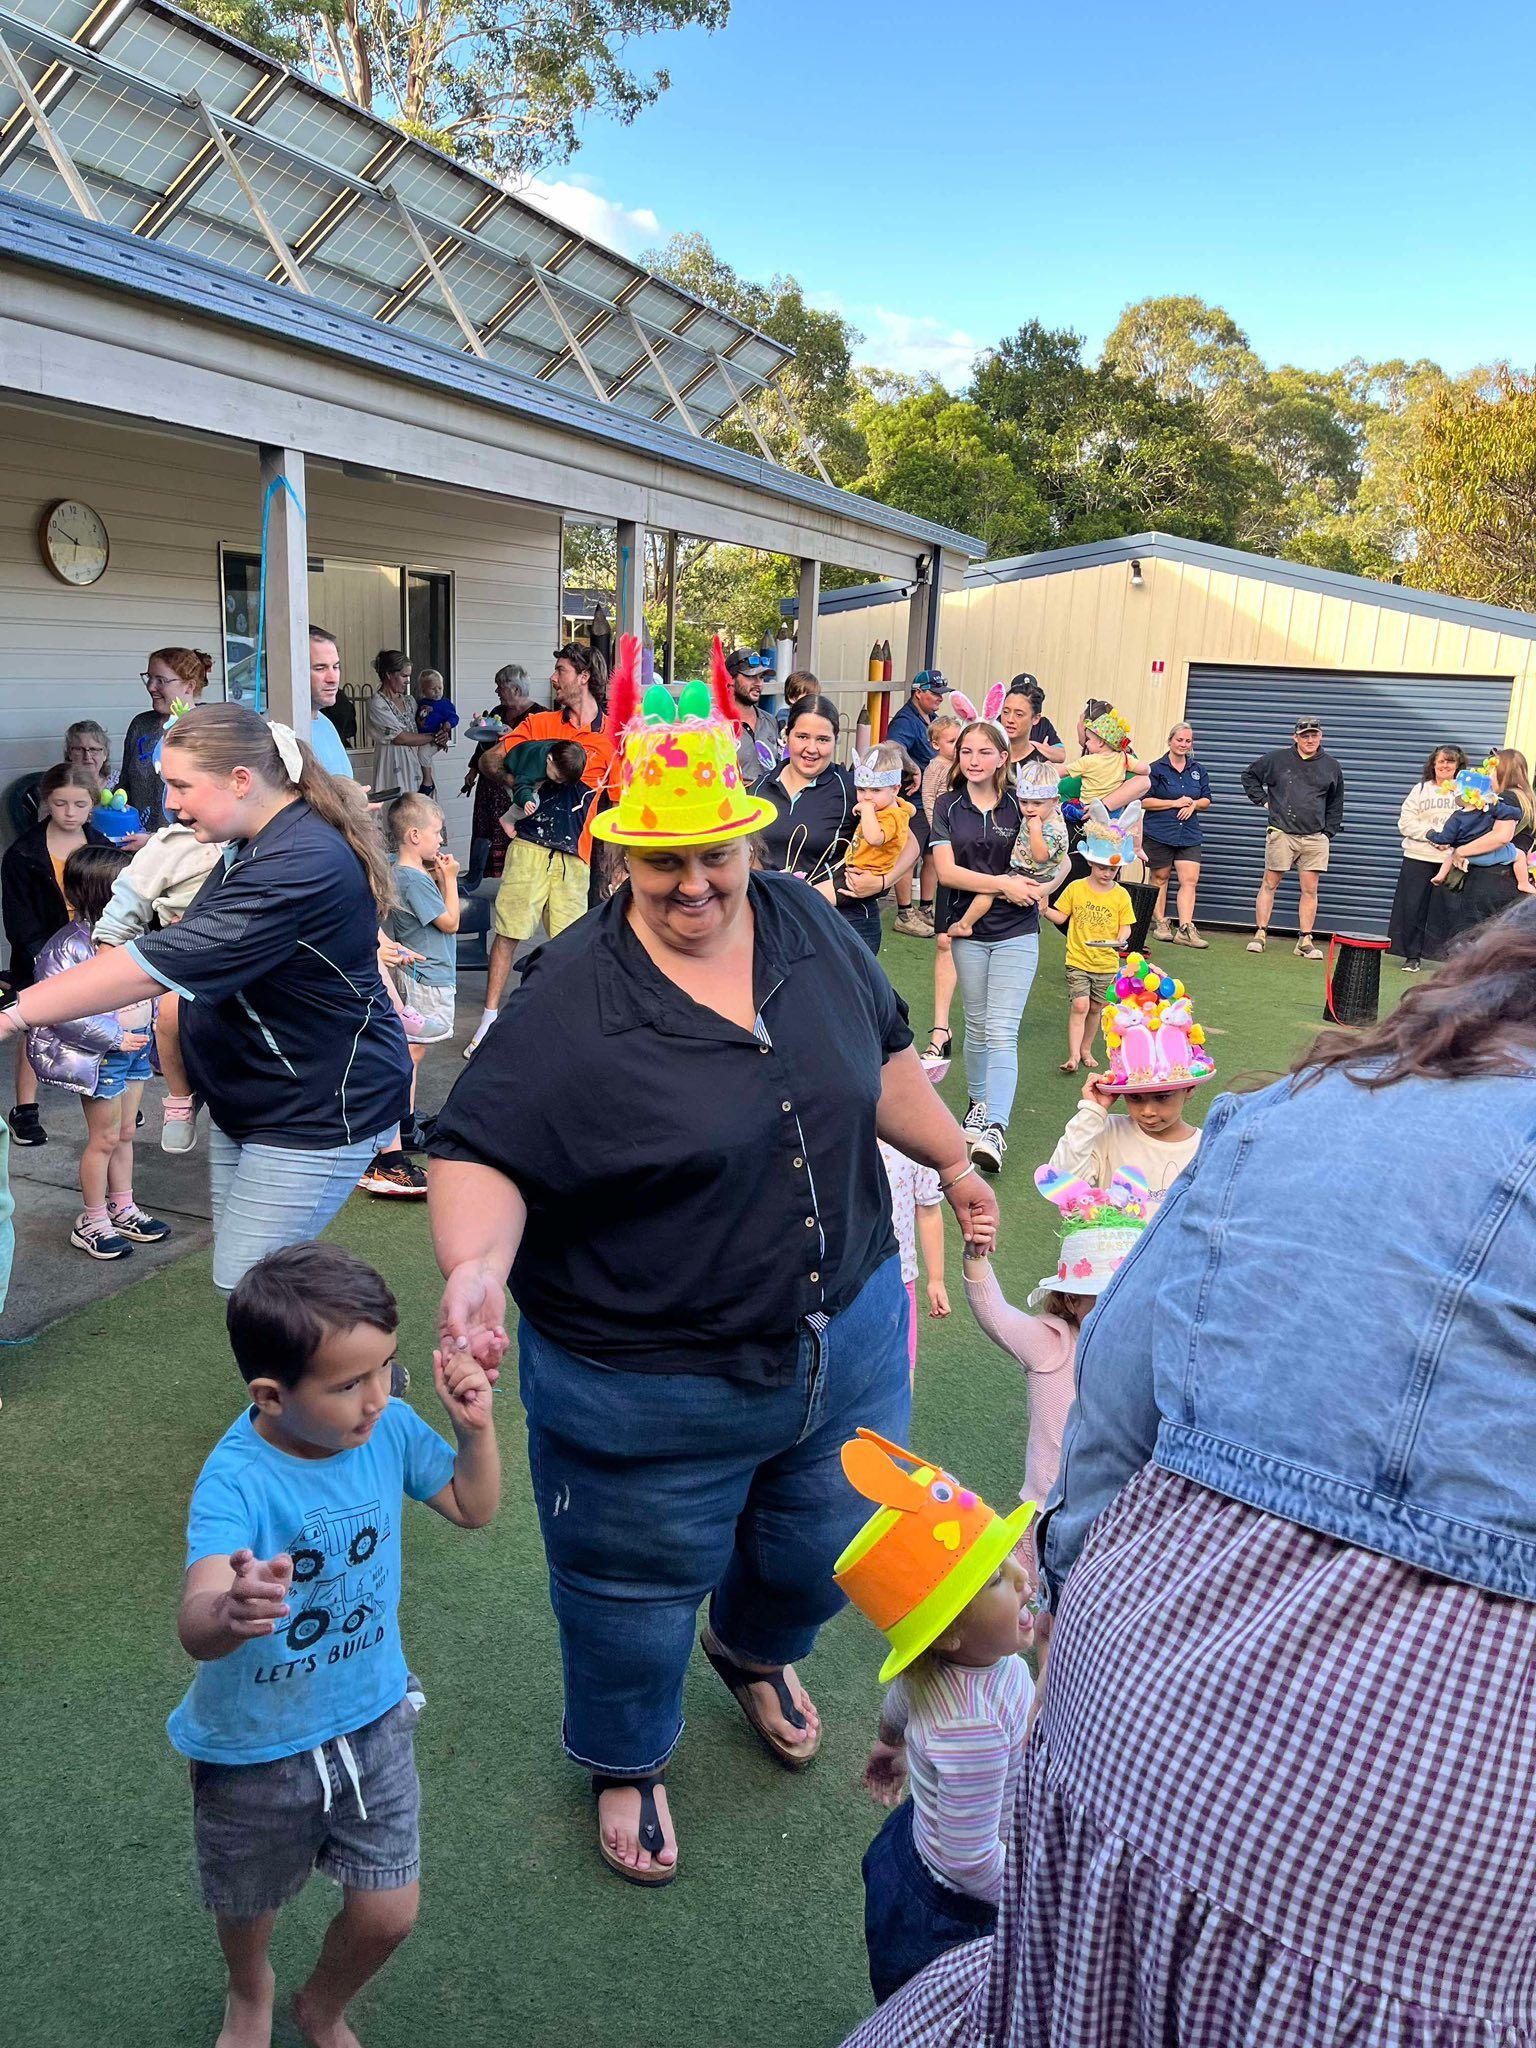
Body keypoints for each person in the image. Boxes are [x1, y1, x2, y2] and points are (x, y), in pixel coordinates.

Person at [841, 901, 1536, 2048]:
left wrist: (1060, 1606)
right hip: (1426, 1885)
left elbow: (1103, 1449)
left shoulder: (1289, 1116)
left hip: (1122, 1742)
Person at [427, 637, 999, 1887]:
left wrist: (956, 1161)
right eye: (664, 859)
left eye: (714, 854)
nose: (694, 884)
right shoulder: (575, 988)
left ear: (750, 838)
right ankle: (629, 1752)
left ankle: (750, 1646)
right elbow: (477, 1143)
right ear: (622, 852)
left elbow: (884, 1051)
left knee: (820, 1542)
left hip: (841, 1332)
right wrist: (474, 1268)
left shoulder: (802, 916)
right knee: (630, 1589)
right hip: (645, 1372)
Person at [169, 1242, 499, 2048]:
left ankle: (323, 2002)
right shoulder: (236, 1478)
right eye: (350, 1383)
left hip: (372, 1717)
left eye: (387, 1368)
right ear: (272, 1395)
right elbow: (196, 1618)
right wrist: (231, 1609)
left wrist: (474, 1431)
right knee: (249, 1902)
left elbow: (471, 1506)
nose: (378, 1398)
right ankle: (251, 1992)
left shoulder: (386, 1431)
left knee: (390, 1912)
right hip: (254, 1746)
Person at [0, 707, 412, 1292]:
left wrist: (15, 1014)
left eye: (181, 785)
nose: (169, 803)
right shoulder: (251, 841)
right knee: (270, 1283)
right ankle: (346, 1373)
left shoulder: (295, 863)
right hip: (253, 1095)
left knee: (248, 1283)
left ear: (241, 780)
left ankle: (357, 1374)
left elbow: (148, 967)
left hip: (316, 1106)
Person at [839, 1431, 1035, 2004]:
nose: (1023, 1579)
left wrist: (889, 1744)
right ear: (949, 1633)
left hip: (925, 1837)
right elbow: (970, 1861)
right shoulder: (969, 1728)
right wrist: (1037, 1899)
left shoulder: (955, 1665)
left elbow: (901, 1698)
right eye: (996, 1580)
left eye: (1005, 1559)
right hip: (955, 1907)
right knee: (932, 2011)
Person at [967, 1164, 1151, 1507]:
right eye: (1099, 1298)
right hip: (1046, 1510)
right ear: (1071, 1300)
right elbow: (997, 1316)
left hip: (1116, 1516)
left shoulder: (1149, 1351)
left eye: (1127, 1294)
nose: (1115, 1309)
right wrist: (975, 1258)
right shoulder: (1052, 1343)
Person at [466, 644, 613, 1053]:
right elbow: (490, 762)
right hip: (528, 846)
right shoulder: (541, 723)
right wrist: (523, 788)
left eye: (561, 670)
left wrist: (621, 864)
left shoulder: (611, 736)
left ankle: (561, 1025)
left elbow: (619, 802)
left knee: (568, 945)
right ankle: (489, 1022)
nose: (553, 677)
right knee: (509, 931)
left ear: (584, 676)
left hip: (574, 857)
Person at [27, 845, 170, 1262]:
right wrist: (112, 1037)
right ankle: (91, 1218)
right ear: (103, 894)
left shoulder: (136, 935)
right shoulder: (66, 947)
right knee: (104, 1138)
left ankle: (122, 1206)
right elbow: (58, 1008)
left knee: (125, 1133)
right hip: (104, 1055)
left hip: (136, 1048)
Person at [931, 720, 1046, 1177]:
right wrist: (1002, 883)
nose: (973, 760)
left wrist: (1037, 887)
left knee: (1001, 1030)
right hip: (967, 932)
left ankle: (996, 1127)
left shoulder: (1024, 805)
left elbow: (1053, 861)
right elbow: (947, 873)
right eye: (966, 752)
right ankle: (978, 1105)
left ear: (1003, 757)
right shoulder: (946, 805)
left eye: (983, 751)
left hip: (1018, 930)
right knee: (976, 1026)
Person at [91, 796, 224, 1156]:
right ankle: (181, 1096)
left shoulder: (276, 840)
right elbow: (121, 915)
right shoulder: (172, 845)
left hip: (250, 955)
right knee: (167, 1013)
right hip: (187, 953)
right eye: (173, 787)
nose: (178, 801)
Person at [1047, 948, 1214, 1206]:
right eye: (1134, 1097)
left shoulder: (1206, 1150)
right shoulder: (1107, 1132)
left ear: (1189, 1088)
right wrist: (1092, 1112)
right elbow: (1061, 1184)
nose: (1148, 1110)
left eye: (1162, 1097)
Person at [755, 696, 919, 957]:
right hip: (775, 925)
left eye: (822, 739)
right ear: (787, 736)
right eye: (802, 736)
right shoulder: (760, 788)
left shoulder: (856, 789)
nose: (811, 748)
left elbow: (909, 842)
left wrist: (882, 882)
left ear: (835, 741)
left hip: (844, 925)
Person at [2, 764, 110, 1147]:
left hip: (95, 945)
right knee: (36, 1023)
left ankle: (110, 1092)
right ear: (46, 801)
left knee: (103, 1019)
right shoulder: (24, 853)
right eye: (60, 803)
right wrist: (41, 959)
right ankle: (25, 1109)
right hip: (40, 950)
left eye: (79, 804)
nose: (69, 812)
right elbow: (17, 917)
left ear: (92, 805)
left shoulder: (102, 846)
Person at [1041, 804, 1139, 1076]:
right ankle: (1073, 1054)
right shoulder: (1076, 888)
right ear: (1092, 863)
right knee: (1080, 1004)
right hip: (1078, 959)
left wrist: (1120, 939)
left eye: (1113, 869)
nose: (1107, 873)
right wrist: (1045, 909)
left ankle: (1086, 1048)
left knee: (1097, 1007)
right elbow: (1061, 917)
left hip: (1106, 962)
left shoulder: (1120, 895)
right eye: (1102, 867)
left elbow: (1126, 927)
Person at [386, 794, 460, 1148]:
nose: (441, 840)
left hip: (417, 973)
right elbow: (450, 922)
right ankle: (404, 1126)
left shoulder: (401, 870)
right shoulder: (414, 880)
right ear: (414, 835)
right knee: (413, 1051)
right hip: (426, 976)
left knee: (412, 1049)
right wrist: (451, 879)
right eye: (437, 832)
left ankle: (405, 1118)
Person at [1241, 714, 1345, 960]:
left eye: (1314, 735)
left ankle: (1305, 940)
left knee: (1310, 889)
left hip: (1314, 837)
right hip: (1282, 832)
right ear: (1295, 737)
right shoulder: (1277, 760)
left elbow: (1336, 802)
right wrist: (1264, 801)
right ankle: (1260, 934)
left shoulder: (1332, 766)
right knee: (1270, 883)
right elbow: (1249, 777)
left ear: (1321, 736)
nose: (1310, 739)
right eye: (1305, 735)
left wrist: (1327, 832)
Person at [1420, 748, 1536, 954]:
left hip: (1490, 879)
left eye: (1492, 770)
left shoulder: (1507, 798)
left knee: (1472, 941)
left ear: (1503, 772)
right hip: (1507, 877)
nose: (1488, 776)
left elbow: (1501, 836)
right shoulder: (1528, 800)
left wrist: (1461, 850)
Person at [948, 760, 1068, 942]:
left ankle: (964, 925)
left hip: (1032, 876)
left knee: (989, 890)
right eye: (1024, 802)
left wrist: (1035, 830)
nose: (1029, 808)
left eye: (1037, 803)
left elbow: (1041, 856)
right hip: (1026, 871)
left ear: (1055, 801)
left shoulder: (1053, 828)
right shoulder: (1040, 816)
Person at [1388, 745, 1466, 970]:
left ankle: (1448, 960)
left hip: (1451, 859)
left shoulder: (1465, 792)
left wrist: (1449, 841)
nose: (1445, 766)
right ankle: (1412, 956)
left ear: (1458, 766)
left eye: (1450, 762)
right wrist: (1431, 836)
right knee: (1413, 907)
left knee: (1448, 910)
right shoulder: (1420, 789)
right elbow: (1405, 822)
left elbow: (1470, 821)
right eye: (1441, 761)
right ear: (1433, 764)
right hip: (1418, 856)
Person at [878, 1130, 949, 1381]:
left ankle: (896, 1420)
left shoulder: (914, 1146)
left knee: (902, 1371)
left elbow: (929, 1212)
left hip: (900, 1280)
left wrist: (936, 1278)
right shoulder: (841, 1138)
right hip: (847, 1283)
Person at [122, 648, 213, 833]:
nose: (150, 687)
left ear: (189, 686)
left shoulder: (206, 728)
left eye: (160, 680)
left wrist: (155, 841)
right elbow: (125, 786)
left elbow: (212, 803)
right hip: (135, 844)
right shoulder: (141, 725)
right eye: (149, 677)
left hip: (187, 850)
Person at [825, 744, 915, 924]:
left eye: (875, 790)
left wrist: (866, 811)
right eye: (861, 790)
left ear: (895, 789)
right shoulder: (888, 807)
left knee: (810, 898)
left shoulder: (891, 816)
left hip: (862, 876)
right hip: (856, 869)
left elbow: (874, 838)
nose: (867, 797)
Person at [463, 664, 533, 888]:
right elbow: (483, 745)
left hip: (513, 787)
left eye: (500, 687)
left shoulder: (537, 715)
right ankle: (481, 878)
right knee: (486, 831)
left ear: (514, 689)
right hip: (488, 784)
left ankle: (515, 882)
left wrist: (515, 737)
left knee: (511, 832)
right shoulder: (498, 712)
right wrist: (473, 770)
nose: (497, 692)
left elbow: (538, 751)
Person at [1143, 722, 1212, 947]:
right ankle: (1161, 923)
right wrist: (1174, 802)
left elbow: (1206, 799)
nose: (1183, 744)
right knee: (1160, 878)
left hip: (1189, 833)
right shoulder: (1156, 768)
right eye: (1179, 740)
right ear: (1170, 741)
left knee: (1190, 880)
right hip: (1159, 831)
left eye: (1188, 741)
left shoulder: (1198, 770)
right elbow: (1144, 801)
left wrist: (1193, 805)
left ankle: (1185, 927)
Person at [367, 651, 444, 798]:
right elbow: (400, 738)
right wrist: (433, 737)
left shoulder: (410, 701)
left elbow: (422, 729)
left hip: (416, 763)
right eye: (404, 676)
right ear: (389, 674)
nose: (408, 681)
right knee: (400, 810)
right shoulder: (377, 703)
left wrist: (441, 735)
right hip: (394, 764)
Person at [304, 627, 355, 778]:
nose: (333, 678)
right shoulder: (278, 732)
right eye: (320, 668)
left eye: (336, 667)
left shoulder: (325, 723)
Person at [726, 647, 779, 785]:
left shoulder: (770, 721)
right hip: (732, 803)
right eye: (750, 676)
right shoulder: (717, 724)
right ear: (730, 679)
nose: (759, 683)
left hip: (768, 804)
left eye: (761, 677)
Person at [412, 670, 458, 798]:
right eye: (433, 688)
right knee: (419, 754)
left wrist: (448, 724)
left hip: (435, 737)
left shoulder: (445, 704)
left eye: (440, 688)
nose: (437, 691)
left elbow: (454, 717)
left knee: (422, 755)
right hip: (422, 738)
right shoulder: (420, 703)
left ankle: (428, 782)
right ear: (423, 690)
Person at [63, 719, 113, 789]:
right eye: (80, 749)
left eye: (94, 749)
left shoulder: (120, 783)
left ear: (105, 754)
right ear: (69, 754)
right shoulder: (60, 786)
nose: (87, 756)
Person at [776, 667, 820, 738]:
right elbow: (784, 734)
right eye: (807, 697)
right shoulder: (784, 715)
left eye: (815, 697)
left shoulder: (817, 716)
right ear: (792, 698)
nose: (812, 700)